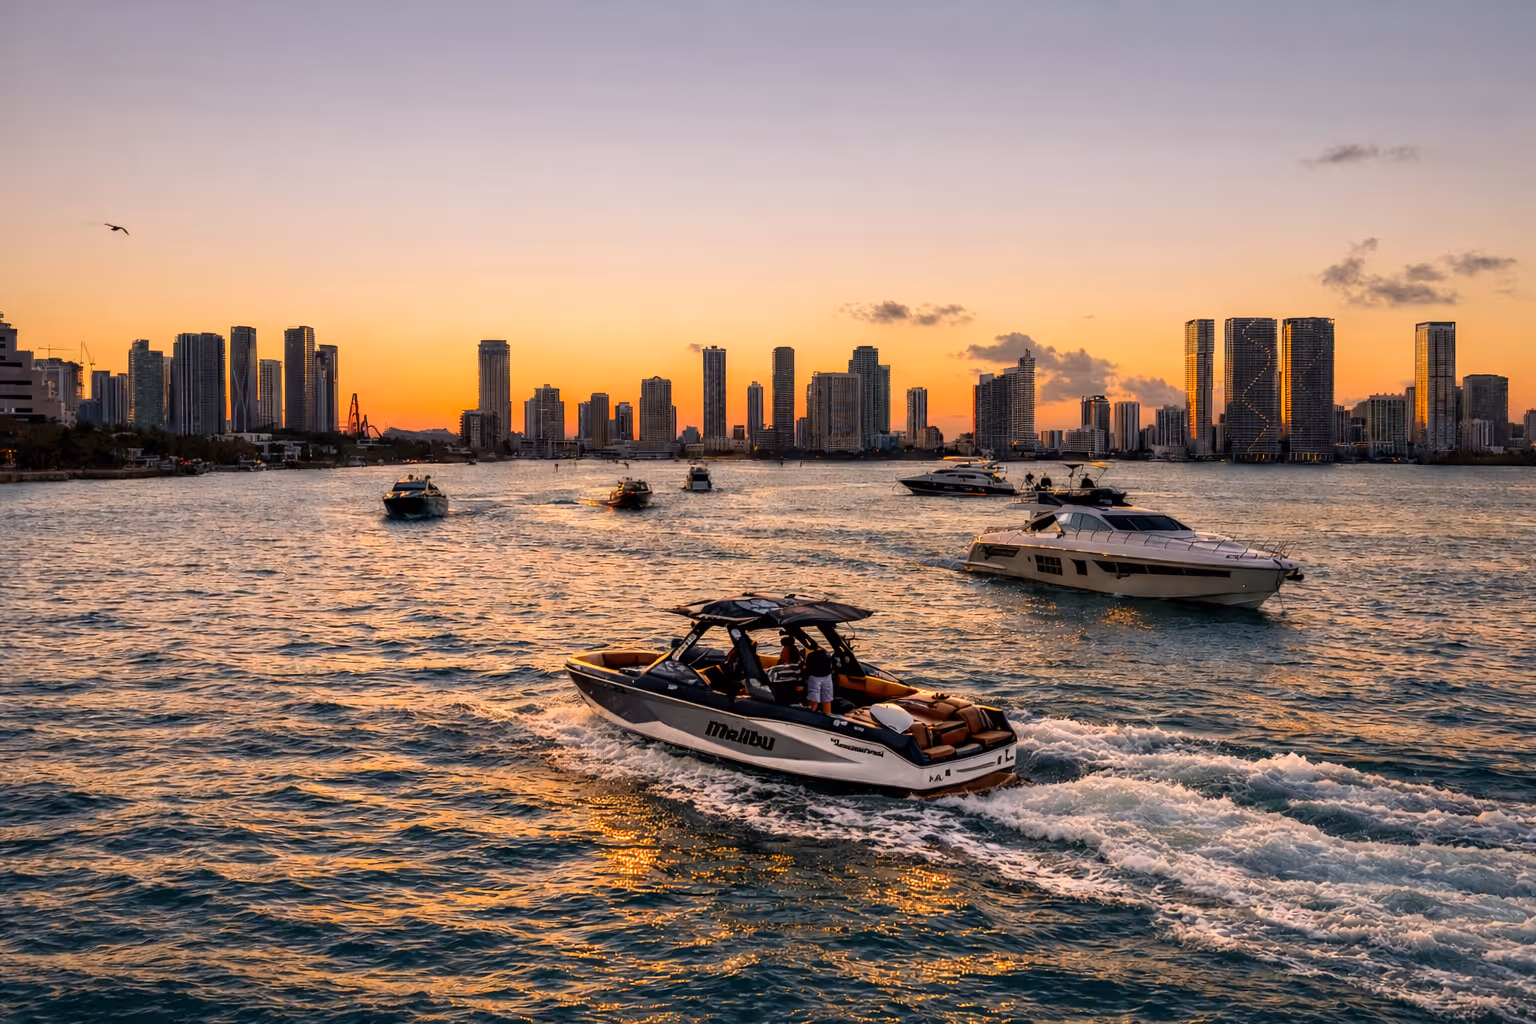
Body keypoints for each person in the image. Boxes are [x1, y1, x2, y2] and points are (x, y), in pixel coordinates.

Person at [804, 648, 834, 714]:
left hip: (815, 677)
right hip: (827, 676)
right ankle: (827, 715)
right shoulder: (827, 655)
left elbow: (807, 669)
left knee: (813, 701)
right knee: (827, 700)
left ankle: (811, 715)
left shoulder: (811, 655)